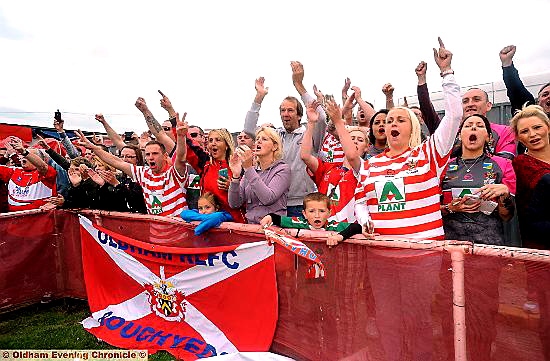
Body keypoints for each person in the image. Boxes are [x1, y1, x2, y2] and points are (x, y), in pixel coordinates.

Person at [351, 38, 462, 361]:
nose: (390, 124)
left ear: (412, 126)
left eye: (399, 119)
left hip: (420, 258)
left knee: (417, 320)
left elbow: (454, 117)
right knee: (386, 320)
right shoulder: (372, 163)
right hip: (382, 257)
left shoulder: (429, 153)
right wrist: (365, 219)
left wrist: (447, 72)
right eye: (387, 122)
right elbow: (361, 200)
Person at [243, 63, 327, 217]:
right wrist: (258, 98)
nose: (285, 114)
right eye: (282, 110)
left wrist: (299, 85)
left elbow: (321, 117)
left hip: (302, 203)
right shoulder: (274, 137)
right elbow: (248, 130)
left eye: (290, 110)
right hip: (276, 203)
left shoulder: (310, 135)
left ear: (300, 115)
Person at [76, 108, 189, 217]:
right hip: (155, 232)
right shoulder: (143, 173)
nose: (150, 157)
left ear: (165, 156)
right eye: (148, 154)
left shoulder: (174, 173)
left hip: (177, 232)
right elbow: (116, 161)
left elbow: (181, 157)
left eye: (155, 153)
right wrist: (93, 147)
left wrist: (181, 136)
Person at [509, 104, 550, 360]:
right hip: (540, 244)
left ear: (547, 127)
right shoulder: (522, 164)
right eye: (525, 131)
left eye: (537, 127)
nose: (532, 134)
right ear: (518, 137)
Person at [441, 114, 516, 244]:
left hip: (490, 241)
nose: (474, 128)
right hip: (451, 242)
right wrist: (450, 208)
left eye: (480, 126)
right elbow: (431, 211)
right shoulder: (443, 167)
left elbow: (506, 216)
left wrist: (505, 194)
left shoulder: (503, 164)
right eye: (468, 126)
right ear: (459, 135)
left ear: (489, 137)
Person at [302, 97, 368, 223]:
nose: (354, 141)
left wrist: (338, 119)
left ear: (366, 148)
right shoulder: (329, 167)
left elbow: (353, 157)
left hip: (349, 230)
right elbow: (305, 156)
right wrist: (311, 123)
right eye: (351, 138)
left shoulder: (366, 170)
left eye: (360, 140)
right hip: (323, 227)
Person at [228, 127, 291, 224]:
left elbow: (268, 198)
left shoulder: (283, 169)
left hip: (273, 229)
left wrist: (248, 168)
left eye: (264, 139)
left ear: (274, 147)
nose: (258, 142)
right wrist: (235, 176)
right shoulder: (251, 171)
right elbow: (234, 203)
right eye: (257, 139)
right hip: (251, 227)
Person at [186, 128, 246, 223]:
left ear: (226, 145)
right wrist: (177, 126)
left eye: (218, 140)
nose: (213, 143)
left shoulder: (240, 166)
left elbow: (250, 199)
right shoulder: (205, 164)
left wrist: (232, 187)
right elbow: (190, 147)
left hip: (234, 224)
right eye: (210, 140)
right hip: (209, 222)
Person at [260, 192, 362, 247]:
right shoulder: (299, 222)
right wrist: (269, 217)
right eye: (312, 211)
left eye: (322, 211)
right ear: (304, 213)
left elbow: (357, 227)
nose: (317, 215)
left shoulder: (333, 225)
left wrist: (339, 237)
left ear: (329, 213)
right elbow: (277, 219)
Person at [0, 136, 57, 212]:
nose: (23, 156)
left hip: (39, 221)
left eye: (28, 156)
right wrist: (5, 157)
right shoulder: (13, 171)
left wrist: (24, 152)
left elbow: (42, 166)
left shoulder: (45, 173)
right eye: (22, 155)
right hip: (15, 222)